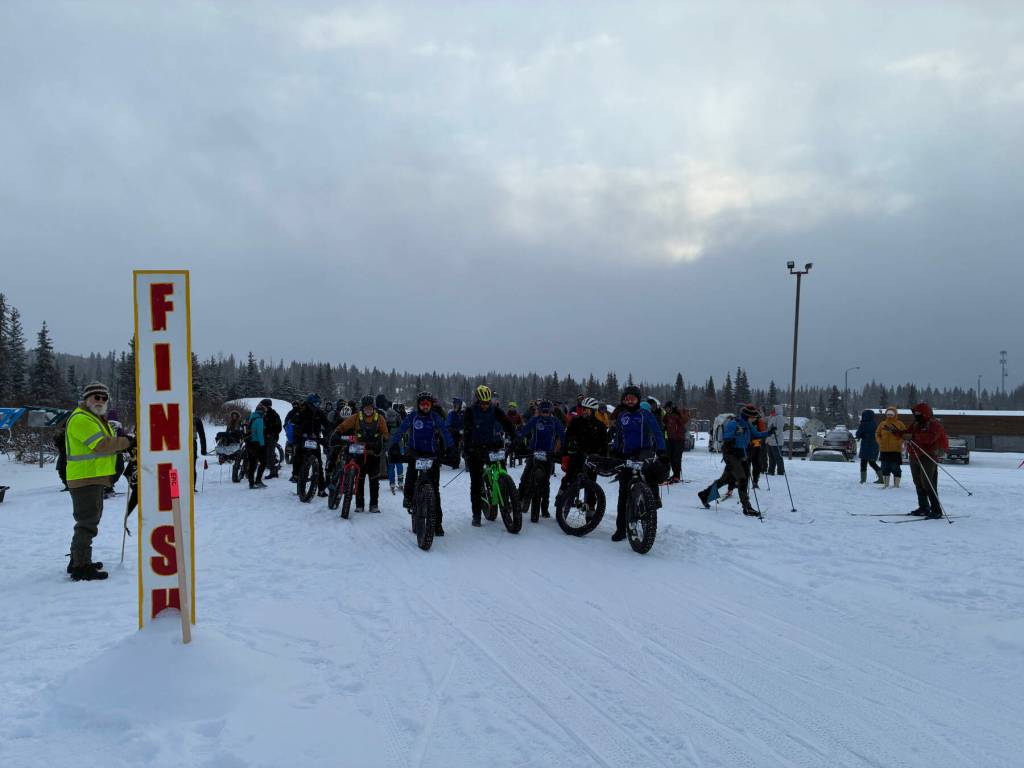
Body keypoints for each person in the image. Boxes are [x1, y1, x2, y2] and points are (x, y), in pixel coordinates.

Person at [64, 382, 134, 581]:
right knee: (87, 523)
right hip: (85, 478)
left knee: (89, 520)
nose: (101, 401)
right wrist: (129, 442)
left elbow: (110, 445)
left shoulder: (96, 419)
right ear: (86, 399)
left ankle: (78, 560)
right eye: (96, 397)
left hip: (92, 477)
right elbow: (101, 444)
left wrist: (125, 444)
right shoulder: (81, 418)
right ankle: (80, 566)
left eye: (104, 398)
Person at [387, 392, 455, 535]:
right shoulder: (412, 416)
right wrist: (393, 445)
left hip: (431, 454)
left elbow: (445, 432)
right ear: (418, 405)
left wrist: (451, 447)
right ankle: (408, 497)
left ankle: (437, 524)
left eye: (427, 404)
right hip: (415, 452)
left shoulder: (435, 417)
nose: (425, 407)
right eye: (422, 404)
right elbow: (400, 431)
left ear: (431, 405)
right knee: (411, 477)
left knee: (435, 490)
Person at [609, 386, 668, 541]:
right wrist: (614, 449)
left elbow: (657, 433)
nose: (630, 401)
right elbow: (618, 436)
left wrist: (662, 450)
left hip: (644, 452)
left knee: (648, 478)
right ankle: (621, 529)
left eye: (633, 398)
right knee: (623, 491)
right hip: (626, 453)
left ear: (638, 400)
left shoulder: (646, 415)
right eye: (627, 399)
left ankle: (651, 504)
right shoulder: (622, 416)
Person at [698, 404, 773, 517]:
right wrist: (736, 440)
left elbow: (756, 434)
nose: (754, 419)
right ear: (747, 416)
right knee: (742, 479)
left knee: (725, 480)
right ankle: (747, 507)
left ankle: (704, 495)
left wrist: (769, 432)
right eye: (753, 417)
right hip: (732, 455)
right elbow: (726, 437)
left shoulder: (748, 424)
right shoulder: (733, 423)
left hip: (742, 455)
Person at [461, 385, 516, 527]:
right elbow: (467, 432)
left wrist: (515, 436)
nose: (485, 405)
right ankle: (476, 514)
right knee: (476, 482)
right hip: (476, 448)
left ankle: (506, 498)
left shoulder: (494, 409)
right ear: (478, 400)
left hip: (493, 445)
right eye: (483, 403)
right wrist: (467, 450)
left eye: (487, 402)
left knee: (503, 472)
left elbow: (506, 423)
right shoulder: (470, 412)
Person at [888, 402, 948, 518]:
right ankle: (924, 508)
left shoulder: (934, 424)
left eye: (918, 413)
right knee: (918, 482)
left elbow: (930, 438)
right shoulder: (916, 423)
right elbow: (907, 433)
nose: (916, 415)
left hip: (928, 456)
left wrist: (914, 436)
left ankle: (936, 510)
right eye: (915, 413)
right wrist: (896, 432)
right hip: (914, 455)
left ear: (925, 413)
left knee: (928, 483)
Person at [334, 395, 389, 513]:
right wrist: (337, 432)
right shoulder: (356, 417)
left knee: (374, 480)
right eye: (366, 408)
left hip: (373, 453)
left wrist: (383, 442)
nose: (368, 411)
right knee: (359, 479)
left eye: (370, 408)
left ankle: (374, 505)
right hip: (359, 451)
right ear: (362, 408)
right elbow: (344, 426)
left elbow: (385, 434)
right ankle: (359, 505)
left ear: (374, 408)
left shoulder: (380, 418)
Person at [516, 399, 566, 522]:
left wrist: (564, 448)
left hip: (548, 454)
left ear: (550, 411)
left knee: (545, 483)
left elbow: (562, 435)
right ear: (539, 411)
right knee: (525, 477)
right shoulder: (535, 420)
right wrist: (517, 440)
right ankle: (518, 502)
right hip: (533, 452)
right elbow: (525, 430)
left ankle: (544, 509)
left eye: (547, 412)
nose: (545, 414)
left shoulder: (555, 421)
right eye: (543, 411)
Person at [559, 396, 607, 511]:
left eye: (588, 410)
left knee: (591, 485)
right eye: (583, 409)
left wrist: (602, 459)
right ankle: (561, 499)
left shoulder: (600, 426)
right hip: (577, 455)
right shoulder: (576, 422)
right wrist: (565, 454)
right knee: (569, 478)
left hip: (592, 459)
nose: (585, 411)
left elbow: (604, 445)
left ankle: (591, 509)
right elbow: (567, 438)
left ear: (594, 411)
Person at [291, 393, 329, 497]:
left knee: (319, 464)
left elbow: (327, 424)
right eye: (315, 403)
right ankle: (295, 476)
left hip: (315, 440)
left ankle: (321, 489)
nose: (317, 405)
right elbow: (295, 423)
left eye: (318, 403)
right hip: (303, 438)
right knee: (298, 457)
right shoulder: (302, 411)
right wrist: (300, 433)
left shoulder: (319, 412)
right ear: (309, 402)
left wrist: (327, 436)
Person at [875, 407, 904, 489]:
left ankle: (896, 485)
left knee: (895, 468)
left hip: (896, 450)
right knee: (884, 468)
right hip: (884, 450)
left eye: (891, 414)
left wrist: (899, 442)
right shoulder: (882, 424)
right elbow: (877, 434)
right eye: (888, 414)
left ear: (895, 414)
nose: (889, 416)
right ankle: (886, 484)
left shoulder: (900, 424)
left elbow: (904, 434)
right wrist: (880, 442)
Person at [663, 402, 689, 484]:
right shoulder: (667, 416)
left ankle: (677, 475)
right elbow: (664, 423)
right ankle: (674, 475)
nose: (667, 410)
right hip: (670, 439)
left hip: (679, 440)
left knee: (676, 458)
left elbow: (684, 421)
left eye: (668, 408)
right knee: (670, 458)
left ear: (671, 407)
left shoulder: (677, 414)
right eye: (666, 409)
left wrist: (681, 413)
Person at [855, 409, 883, 484]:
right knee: (872, 463)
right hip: (874, 446)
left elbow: (858, 434)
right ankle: (882, 478)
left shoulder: (863, 424)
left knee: (863, 463)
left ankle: (863, 480)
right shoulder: (875, 424)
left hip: (866, 446)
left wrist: (861, 435)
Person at [384, 401, 405, 493]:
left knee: (391, 466)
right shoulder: (398, 418)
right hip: (398, 445)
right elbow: (403, 431)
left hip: (389, 446)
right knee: (399, 465)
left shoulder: (385, 420)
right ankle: (400, 482)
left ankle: (392, 482)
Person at [246, 404, 267, 489]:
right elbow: (260, 434)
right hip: (256, 443)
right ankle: (258, 481)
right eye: (265, 412)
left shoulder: (252, 417)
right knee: (263, 462)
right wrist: (262, 445)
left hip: (249, 443)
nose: (265, 414)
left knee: (252, 463)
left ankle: (251, 483)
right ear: (262, 411)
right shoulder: (259, 419)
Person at [260, 398, 282, 478]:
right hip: (262, 436)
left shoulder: (274, 414)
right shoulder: (261, 413)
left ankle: (273, 472)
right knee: (263, 453)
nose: (261, 407)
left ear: (267, 406)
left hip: (272, 437)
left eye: (262, 405)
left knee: (270, 454)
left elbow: (279, 427)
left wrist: (270, 432)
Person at [765, 407, 787, 476]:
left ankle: (780, 471)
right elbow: (768, 426)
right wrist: (768, 438)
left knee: (778, 457)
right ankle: (771, 471)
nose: (772, 410)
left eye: (774, 409)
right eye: (772, 409)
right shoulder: (771, 417)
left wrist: (772, 435)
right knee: (771, 457)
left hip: (777, 441)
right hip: (770, 441)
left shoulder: (780, 417)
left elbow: (779, 430)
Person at [445, 397, 465, 464]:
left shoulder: (464, 413)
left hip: (464, 432)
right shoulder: (451, 414)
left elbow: (468, 422)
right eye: (454, 404)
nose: (455, 406)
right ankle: (455, 461)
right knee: (454, 445)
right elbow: (447, 424)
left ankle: (468, 460)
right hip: (454, 433)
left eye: (457, 405)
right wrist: (451, 429)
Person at [192, 414, 207, 492]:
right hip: (179, 445)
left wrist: (203, 449)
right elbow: (202, 434)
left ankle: (191, 488)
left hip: (191, 443)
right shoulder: (195, 418)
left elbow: (202, 434)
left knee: (191, 466)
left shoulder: (195, 419)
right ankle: (175, 491)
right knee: (191, 467)